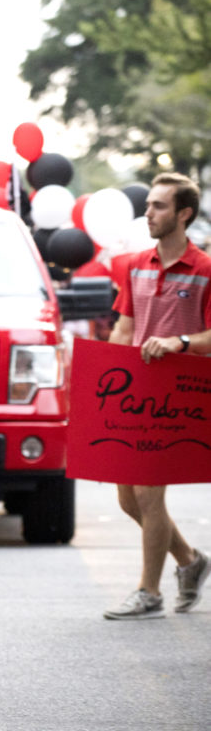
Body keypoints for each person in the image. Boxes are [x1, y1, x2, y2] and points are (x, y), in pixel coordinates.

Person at [103, 172, 211, 620]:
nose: (148, 213)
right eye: (148, 205)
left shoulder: (205, 269)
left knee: (149, 496)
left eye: (158, 206)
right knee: (128, 500)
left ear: (184, 214)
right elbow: (124, 328)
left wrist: (179, 343)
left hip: (175, 399)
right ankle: (190, 560)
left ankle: (149, 592)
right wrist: (101, 376)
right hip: (133, 394)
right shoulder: (135, 265)